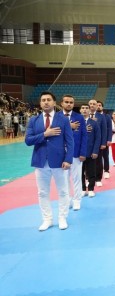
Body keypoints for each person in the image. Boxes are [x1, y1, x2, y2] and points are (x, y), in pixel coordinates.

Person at [25, 91, 74, 231]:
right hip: (40, 162)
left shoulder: (63, 119)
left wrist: (68, 159)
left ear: (54, 102)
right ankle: (47, 219)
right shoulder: (34, 120)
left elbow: (70, 142)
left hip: (59, 162)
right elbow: (28, 141)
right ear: (40, 103)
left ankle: (62, 218)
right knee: (42, 192)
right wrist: (44, 135)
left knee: (63, 191)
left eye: (48, 99)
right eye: (43, 100)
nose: (45, 102)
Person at [61, 95, 87, 211]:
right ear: (62, 103)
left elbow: (84, 136)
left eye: (71, 102)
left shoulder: (79, 117)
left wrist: (83, 153)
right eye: (66, 102)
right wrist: (67, 126)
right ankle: (67, 200)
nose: (69, 104)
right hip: (61, 153)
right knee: (64, 179)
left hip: (76, 153)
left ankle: (77, 200)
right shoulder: (57, 117)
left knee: (77, 178)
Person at [80, 104, 101, 198]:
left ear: (89, 111)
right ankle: (83, 189)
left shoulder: (94, 123)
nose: (84, 110)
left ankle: (91, 188)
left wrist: (95, 151)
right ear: (80, 110)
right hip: (79, 152)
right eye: (83, 108)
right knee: (80, 172)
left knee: (91, 171)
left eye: (86, 108)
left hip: (91, 151)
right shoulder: (76, 123)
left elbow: (98, 138)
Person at [88, 99, 107, 187]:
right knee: (87, 162)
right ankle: (88, 177)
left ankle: (98, 178)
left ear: (96, 106)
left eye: (94, 104)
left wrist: (103, 143)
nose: (92, 105)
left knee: (98, 161)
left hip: (98, 142)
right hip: (87, 142)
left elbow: (104, 130)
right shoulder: (84, 115)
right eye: (90, 104)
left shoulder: (101, 116)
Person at [97, 101, 112, 180]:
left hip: (105, 140)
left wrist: (109, 139)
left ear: (102, 107)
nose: (98, 106)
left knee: (105, 156)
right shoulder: (93, 116)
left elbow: (109, 129)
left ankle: (106, 170)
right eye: (97, 105)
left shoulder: (107, 116)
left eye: (100, 105)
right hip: (95, 140)